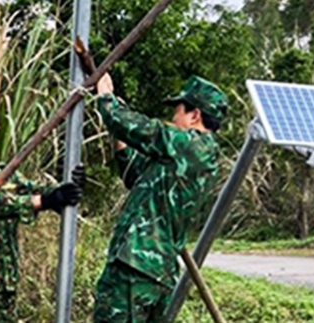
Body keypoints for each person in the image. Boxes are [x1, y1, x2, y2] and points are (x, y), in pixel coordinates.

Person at [92, 73, 228, 322]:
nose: (172, 118)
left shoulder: (189, 144)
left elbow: (140, 127)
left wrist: (106, 98)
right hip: (157, 273)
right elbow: (137, 176)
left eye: (177, 111)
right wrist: (120, 136)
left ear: (194, 115)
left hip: (135, 267)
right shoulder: (196, 157)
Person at [0, 103, 86, 322]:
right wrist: (46, 200)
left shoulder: (6, 173)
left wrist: (68, 187)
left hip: (6, 287)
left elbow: (38, 191)